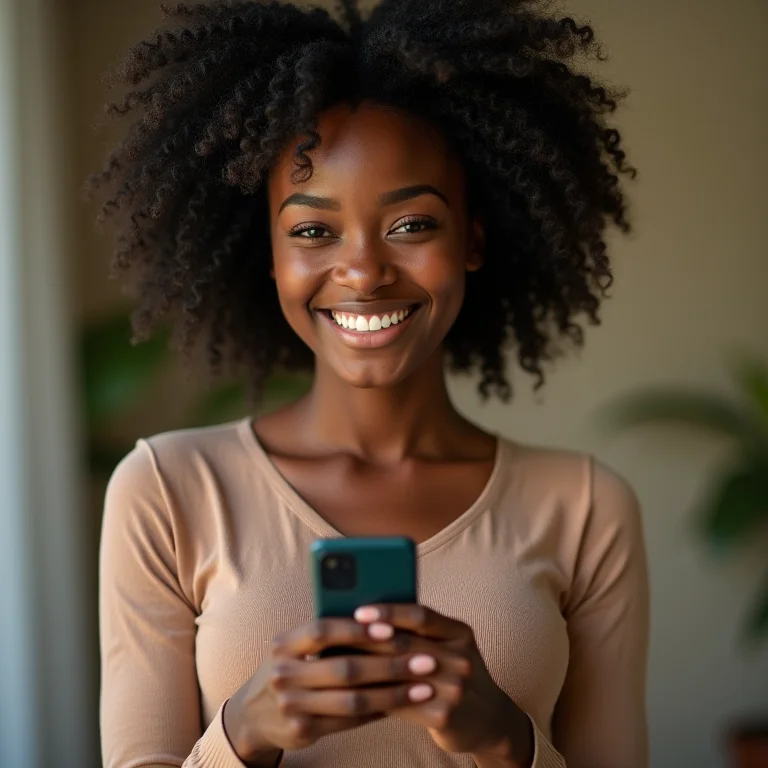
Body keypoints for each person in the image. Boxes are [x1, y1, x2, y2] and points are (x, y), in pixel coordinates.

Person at [92, 1, 649, 767]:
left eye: (412, 224)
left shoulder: (585, 507)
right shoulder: (167, 491)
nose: (362, 272)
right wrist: (243, 733)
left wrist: (505, 741)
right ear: (269, 254)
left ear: (473, 239)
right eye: (313, 231)